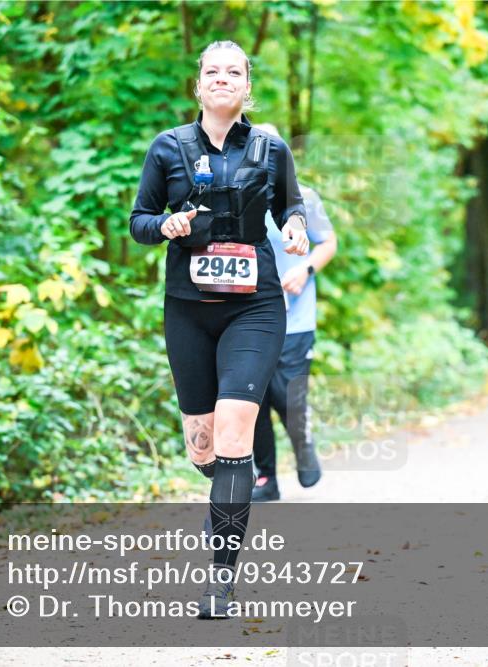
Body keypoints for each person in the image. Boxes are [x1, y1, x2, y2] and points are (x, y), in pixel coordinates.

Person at [128, 40, 309, 619]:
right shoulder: (168, 147)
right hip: (188, 308)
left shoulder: (271, 149)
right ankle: (223, 480)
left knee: (234, 436)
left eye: (234, 72)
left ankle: (220, 581)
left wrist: (296, 229)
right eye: (213, 71)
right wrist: (166, 226)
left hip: (254, 306)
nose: (223, 79)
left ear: (247, 86)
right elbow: (138, 221)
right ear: (199, 84)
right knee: (204, 446)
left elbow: (292, 208)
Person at [249, 124, 337, 502]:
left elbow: (328, 242)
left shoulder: (304, 196)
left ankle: (302, 444)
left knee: (287, 397)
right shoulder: (234, 196)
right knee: (252, 398)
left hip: (294, 317)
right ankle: (266, 478)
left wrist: (305, 269)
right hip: (248, 317)